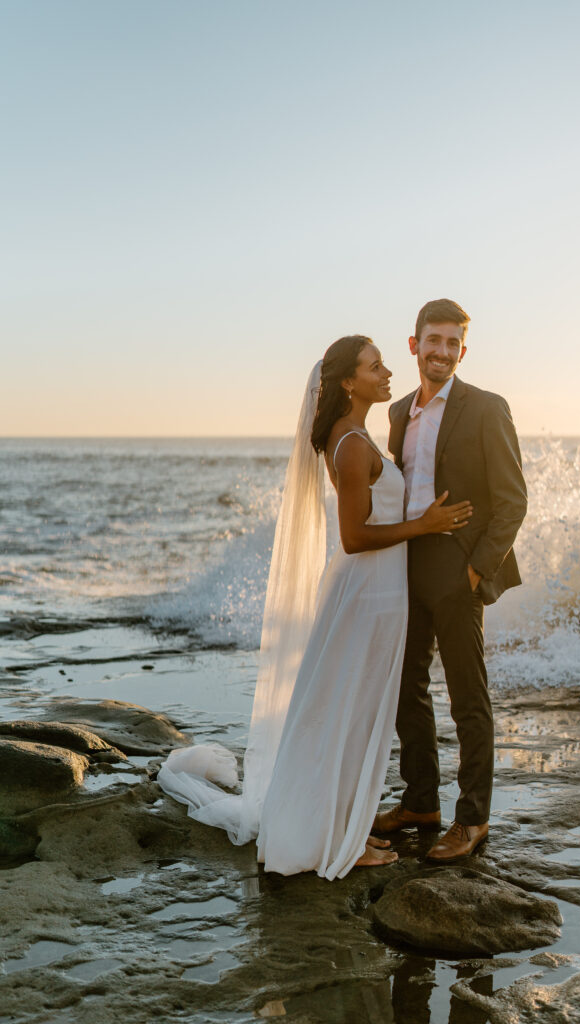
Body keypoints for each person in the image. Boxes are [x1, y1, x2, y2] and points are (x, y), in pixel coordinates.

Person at [157, 335, 472, 878]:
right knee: (344, 717)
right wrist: (424, 525)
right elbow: (353, 537)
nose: (388, 372)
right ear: (349, 381)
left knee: (352, 714)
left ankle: (340, 825)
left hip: (379, 596)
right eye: (376, 366)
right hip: (366, 597)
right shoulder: (350, 444)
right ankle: (332, 839)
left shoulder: (356, 435)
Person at [373, 299, 527, 861]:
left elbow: (513, 501)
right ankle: (421, 803)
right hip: (404, 563)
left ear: (463, 350)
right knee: (404, 686)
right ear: (413, 345)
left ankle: (472, 819)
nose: (441, 352)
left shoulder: (487, 408)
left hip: (457, 569)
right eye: (432, 341)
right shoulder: (395, 412)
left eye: (452, 343)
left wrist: (476, 568)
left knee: (468, 696)